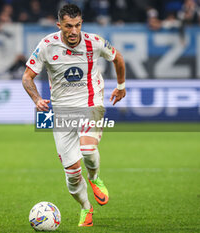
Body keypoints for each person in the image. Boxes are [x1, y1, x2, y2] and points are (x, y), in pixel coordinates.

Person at [22, 4, 126, 227]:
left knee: (88, 148)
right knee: (72, 175)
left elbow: (118, 59)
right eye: (68, 26)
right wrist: (37, 100)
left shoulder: (94, 42)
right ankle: (85, 208)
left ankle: (95, 177)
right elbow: (27, 78)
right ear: (59, 25)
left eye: (77, 25)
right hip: (62, 113)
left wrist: (121, 85)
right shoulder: (47, 46)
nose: (73, 31)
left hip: (91, 104)